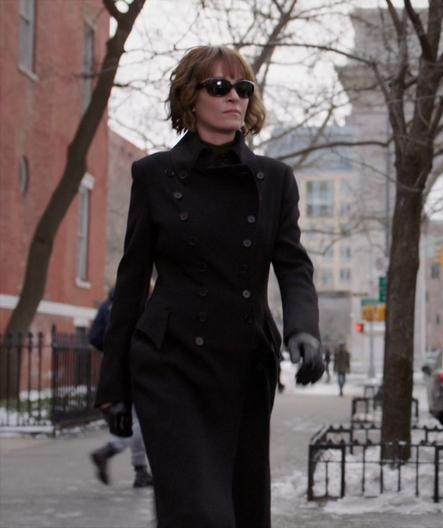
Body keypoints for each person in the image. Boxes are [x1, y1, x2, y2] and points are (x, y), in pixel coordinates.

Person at [95, 46, 324, 528]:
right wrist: (115, 388)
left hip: (244, 365)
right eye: (218, 87)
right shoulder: (154, 175)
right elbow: (132, 281)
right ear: (190, 97)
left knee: (242, 510)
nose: (233, 98)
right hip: (170, 363)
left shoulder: (275, 180)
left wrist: (304, 330)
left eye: (243, 89)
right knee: (200, 513)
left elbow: (292, 264)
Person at [88, 289, 153, 488]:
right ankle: (109, 450)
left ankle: (140, 472)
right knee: (141, 420)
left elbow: (94, 337)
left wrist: (110, 350)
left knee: (130, 417)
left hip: (113, 367)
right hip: (135, 366)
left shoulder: (107, 306)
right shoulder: (140, 305)